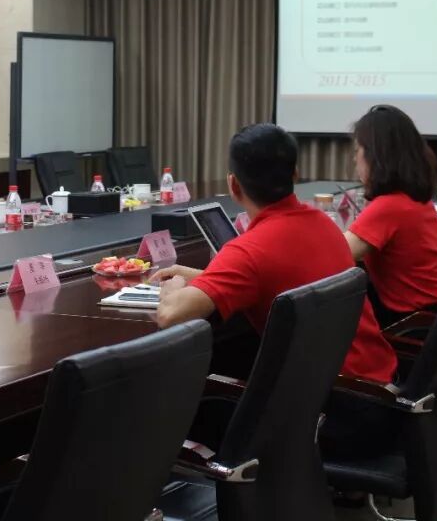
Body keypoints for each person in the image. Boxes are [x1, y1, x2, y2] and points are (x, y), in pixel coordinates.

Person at [150, 124, 397, 458]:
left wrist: (175, 285)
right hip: (376, 397)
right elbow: (280, 272)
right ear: (295, 174)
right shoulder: (322, 224)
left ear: (233, 185)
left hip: (331, 415)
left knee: (187, 403)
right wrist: (205, 277)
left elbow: (170, 314)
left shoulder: (250, 250)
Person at [343, 106, 437, 329]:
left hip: (414, 324)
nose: (354, 159)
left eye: (357, 150)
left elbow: (336, 253)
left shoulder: (389, 206)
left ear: (376, 155)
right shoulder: (415, 198)